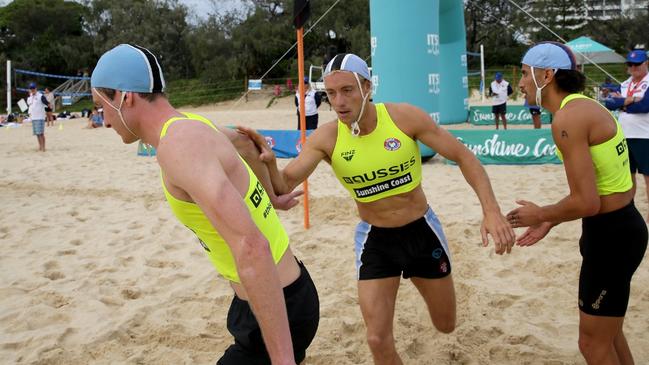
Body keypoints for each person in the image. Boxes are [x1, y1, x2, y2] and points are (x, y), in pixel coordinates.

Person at [241, 53, 515, 365]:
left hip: (421, 233)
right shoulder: (328, 137)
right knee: (376, 339)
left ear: (367, 87)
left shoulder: (404, 118)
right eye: (331, 94)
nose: (339, 102)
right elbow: (284, 184)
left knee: (445, 324)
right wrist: (268, 164)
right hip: (375, 240)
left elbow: (465, 157)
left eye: (348, 90)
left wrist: (491, 210)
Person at [90, 44, 319, 365]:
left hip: (276, 305)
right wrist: (271, 195)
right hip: (283, 296)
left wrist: (282, 360)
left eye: (101, 106)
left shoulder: (178, 146)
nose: (103, 120)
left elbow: (252, 246)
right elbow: (247, 143)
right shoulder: (192, 124)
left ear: (124, 97)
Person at [508, 42, 647, 365]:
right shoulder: (585, 107)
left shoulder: (567, 119)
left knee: (592, 345)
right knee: (609, 334)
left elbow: (587, 202)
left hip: (612, 236)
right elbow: (603, 190)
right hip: (620, 227)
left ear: (547, 75)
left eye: (526, 74)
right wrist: (551, 219)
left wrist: (541, 213)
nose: (522, 82)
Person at [605, 50, 649, 222]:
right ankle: (629, 213)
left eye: (637, 64)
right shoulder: (624, 84)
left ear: (646, 63)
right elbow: (609, 102)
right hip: (624, 136)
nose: (633, 68)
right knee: (627, 178)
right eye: (630, 65)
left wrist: (622, 102)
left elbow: (645, 106)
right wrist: (631, 100)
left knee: (647, 178)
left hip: (645, 136)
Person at [26, 82, 48, 152]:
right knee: (37, 134)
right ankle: (40, 146)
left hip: (40, 117)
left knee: (41, 133)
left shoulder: (40, 96)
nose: (32, 90)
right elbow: (29, 104)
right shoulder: (30, 97)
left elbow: (46, 102)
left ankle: (43, 147)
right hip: (34, 117)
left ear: (36, 88)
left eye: (33, 88)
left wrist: (49, 105)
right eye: (31, 88)